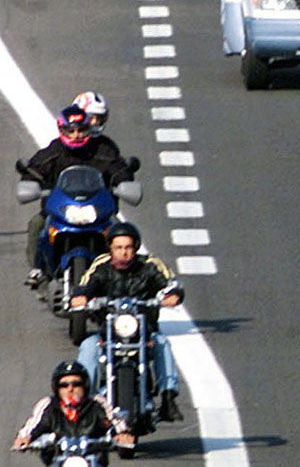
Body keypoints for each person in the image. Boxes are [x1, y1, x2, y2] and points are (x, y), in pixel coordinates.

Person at [72, 223, 184, 423]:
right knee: (88, 346)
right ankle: (82, 402)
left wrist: (172, 294)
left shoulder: (150, 265)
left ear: (136, 247)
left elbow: (170, 283)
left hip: (144, 331)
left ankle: (168, 399)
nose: (123, 253)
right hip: (108, 332)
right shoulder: (101, 265)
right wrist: (81, 297)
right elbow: (85, 285)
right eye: (118, 248)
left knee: (162, 344)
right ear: (110, 248)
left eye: (128, 247)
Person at [23, 104, 135, 288]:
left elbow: (118, 169)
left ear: (88, 128)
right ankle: (39, 271)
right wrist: (30, 182)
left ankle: (123, 272)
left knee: (120, 231)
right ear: (62, 130)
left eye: (81, 130)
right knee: (36, 224)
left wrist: (124, 182)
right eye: (70, 130)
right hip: (60, 210)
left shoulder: (102, 150)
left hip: (97, 211)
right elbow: (34, 169)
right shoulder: (54, 152)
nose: (76, 135)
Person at [12, 361, 132, 463]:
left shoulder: (96, 403)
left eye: (76, 384)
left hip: (91, 459)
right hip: (58, 459)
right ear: (57, 388)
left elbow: (114, 421)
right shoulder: (48, 405)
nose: (70, 389)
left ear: (84, 385)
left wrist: (121, 434)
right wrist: (24, 438)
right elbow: (33, 425)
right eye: (64, 385)